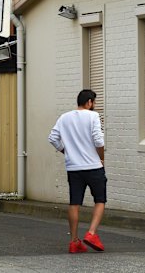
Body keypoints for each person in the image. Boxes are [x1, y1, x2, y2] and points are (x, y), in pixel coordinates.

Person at [48, 89, 106, 253]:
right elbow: (98, 139)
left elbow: (52, 138)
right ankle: (91, 233)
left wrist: (66, 151)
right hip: (94, 166)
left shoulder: (64, 117)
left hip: (74, 168)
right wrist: (101, 158)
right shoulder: (93, 116)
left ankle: (74, 241)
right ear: (89, 102)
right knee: (100, 200)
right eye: (93, 102)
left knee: (74, 203)